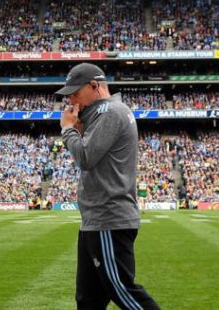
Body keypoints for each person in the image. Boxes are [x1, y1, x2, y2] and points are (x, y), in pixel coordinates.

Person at [56, 63, 161, 310]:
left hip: (108, 218)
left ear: (95, 86)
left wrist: (68, 129)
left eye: (74, 92)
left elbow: (85, 158)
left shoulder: (109, 112)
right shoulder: (108, 112)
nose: (70, 99)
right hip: (97, 219)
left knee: (122, 289)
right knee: (88, 300)